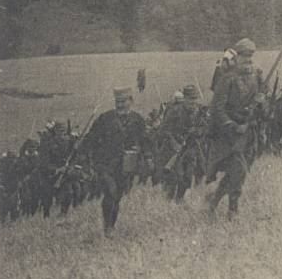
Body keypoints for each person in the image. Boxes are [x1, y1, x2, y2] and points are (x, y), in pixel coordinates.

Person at [205, 38, 266, 221]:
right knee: (238, 169)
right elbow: (217, 108)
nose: (248, 59)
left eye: (250, 56)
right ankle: (233, 209)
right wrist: (231, 125)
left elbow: (264, 102)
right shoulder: (227, 78)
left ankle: (214, 201)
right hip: (229, 134)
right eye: (244, 56)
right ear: (237, 56)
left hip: (248, 131)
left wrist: (261, 102)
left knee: (238, 172)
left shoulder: (257, 75)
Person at [79, 87, 150, 236]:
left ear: (131, 101)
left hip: (126, 165)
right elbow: (92, 137)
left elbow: (145, 141)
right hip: (105, 164)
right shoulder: (105, 118)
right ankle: (107, 228)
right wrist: (83, 151)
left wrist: (148, 157)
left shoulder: (138, 120)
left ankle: (111, 226)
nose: (120, 105)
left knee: (117, 197)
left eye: (123, 101)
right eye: (117, 101)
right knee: (110, 192)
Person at [159, 85, 207, 203]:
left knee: (188, 176)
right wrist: (174, 142)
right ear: (184, 99)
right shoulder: (174, 111)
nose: (194, 101)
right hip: (174, 148)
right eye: (191, 98)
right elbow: (163, 130)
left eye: (195, 98)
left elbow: (204, 129)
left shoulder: (199, 111)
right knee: (176, 175)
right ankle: (168, 199)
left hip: (191, 147)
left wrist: (196, 131)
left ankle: (179, 199)